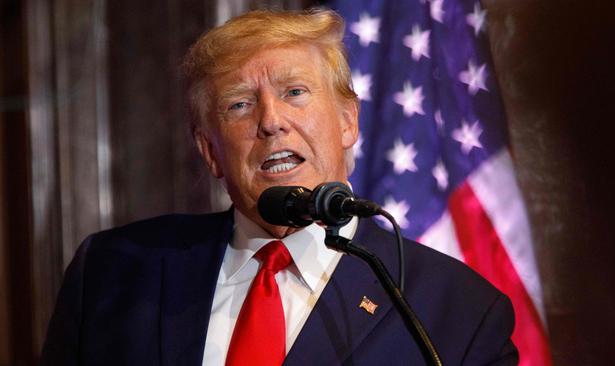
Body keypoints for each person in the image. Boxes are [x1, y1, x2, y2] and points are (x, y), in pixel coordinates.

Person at [41, 9, 518, 366]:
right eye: (239, 105)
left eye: (294, 92)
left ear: (348, 121)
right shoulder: (111, 274)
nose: (271, 121)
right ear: (209, 151)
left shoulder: (458, 311)